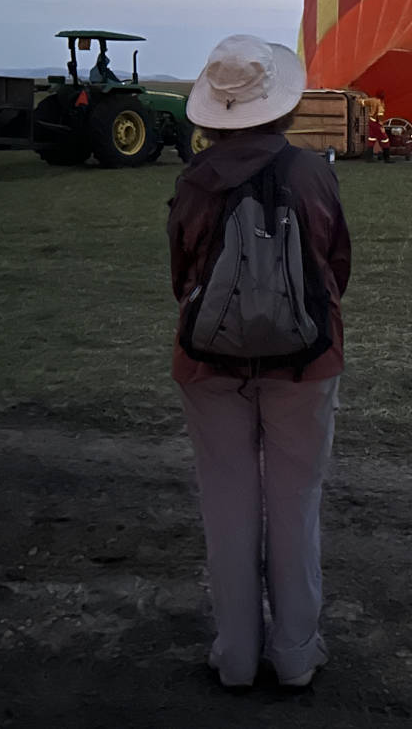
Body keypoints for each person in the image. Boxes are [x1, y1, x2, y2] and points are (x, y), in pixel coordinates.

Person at [167, 34, 351, 692]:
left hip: (209, 368)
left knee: (227, 506)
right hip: (306, 364)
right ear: (282, 104)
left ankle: (237, 656)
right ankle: (296, 653)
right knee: (296, 504)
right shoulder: (314, 174)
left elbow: (181, 278)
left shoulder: (193, 182)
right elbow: (336, 268)